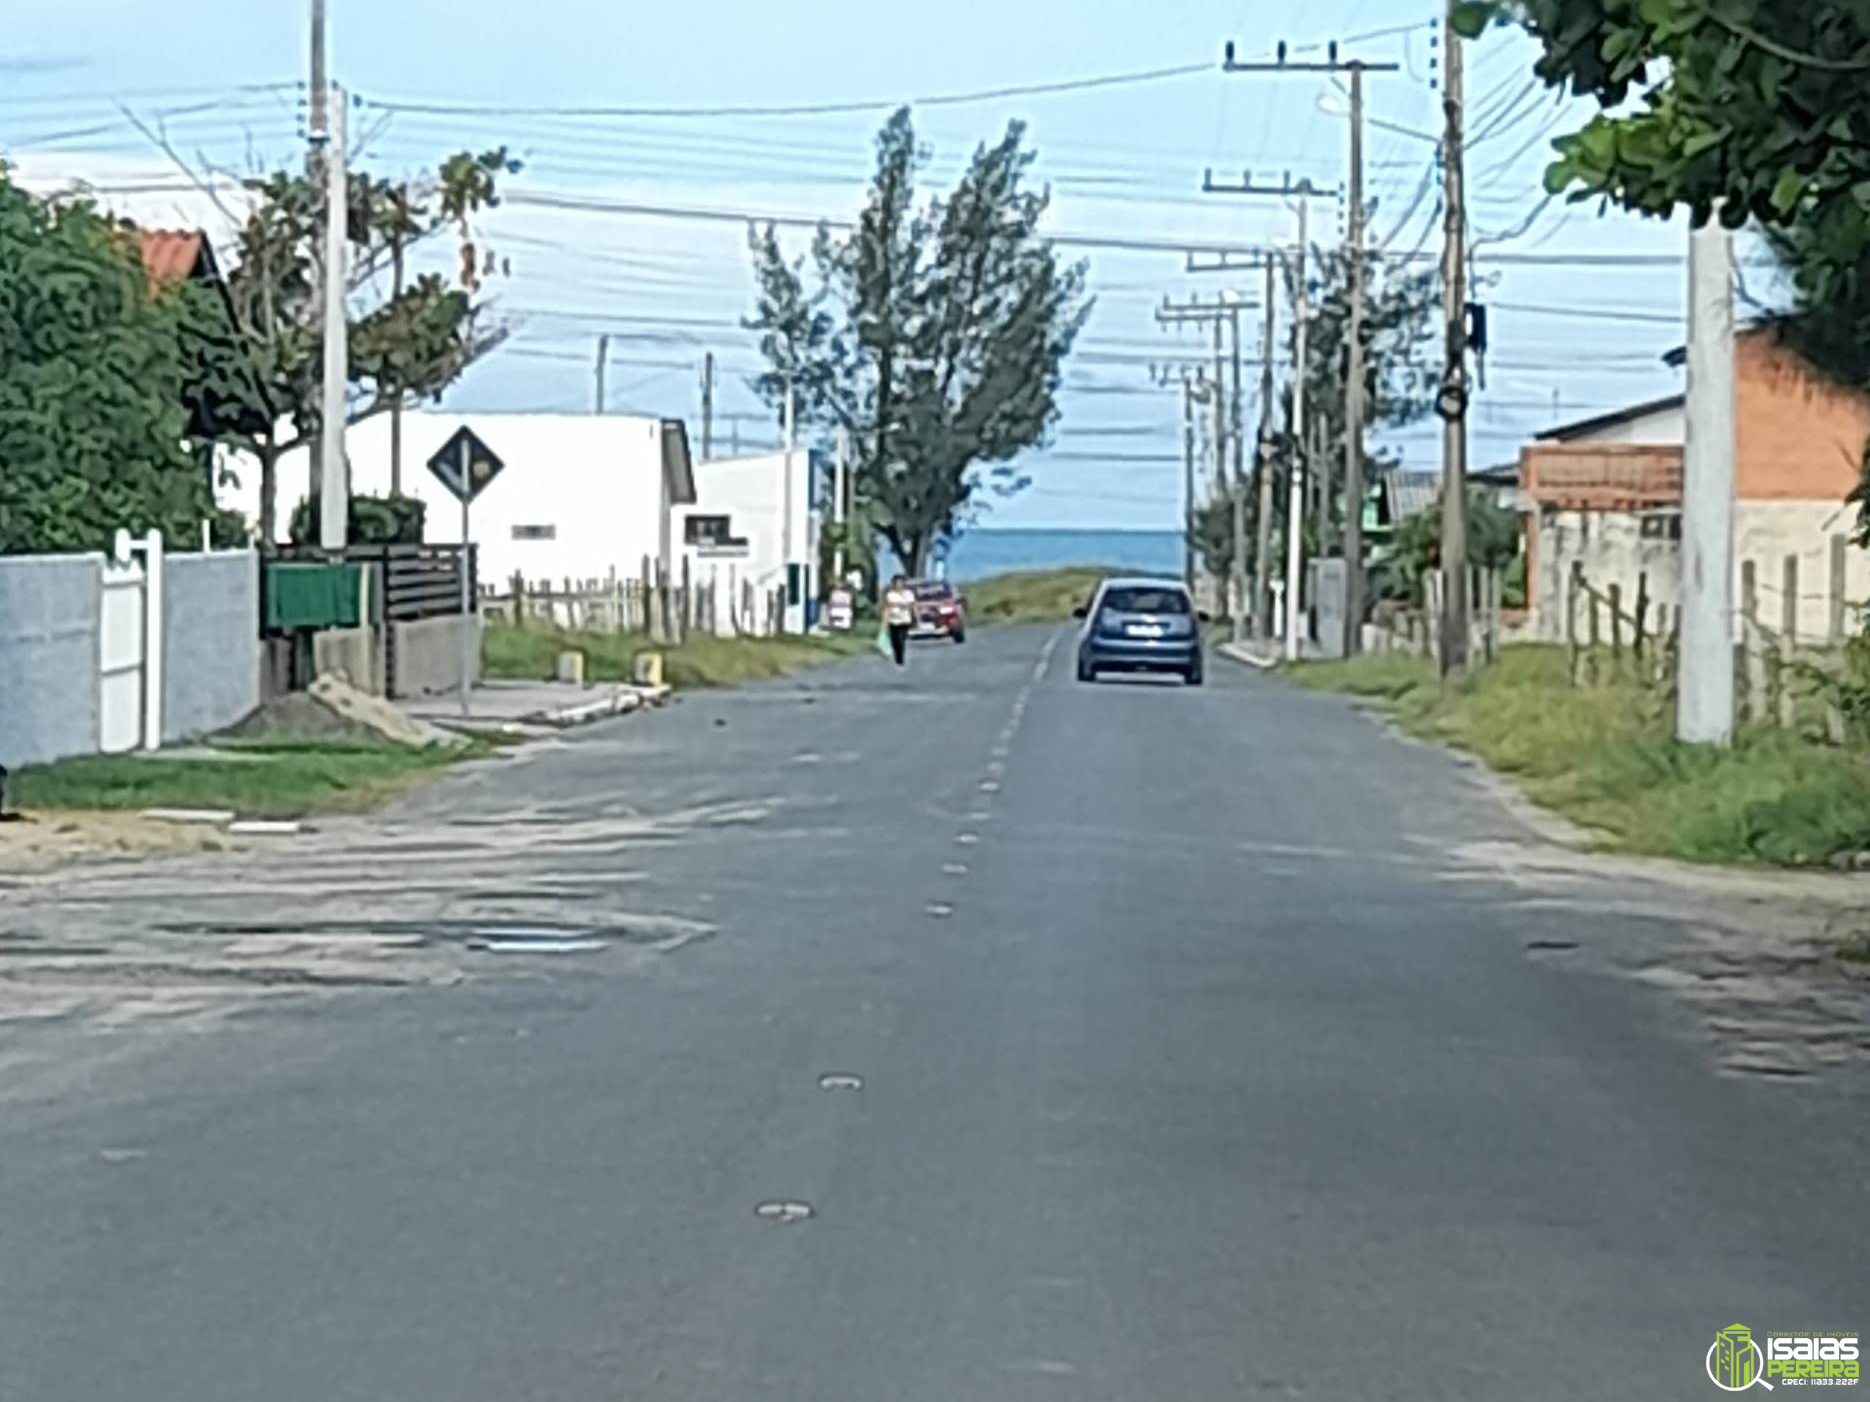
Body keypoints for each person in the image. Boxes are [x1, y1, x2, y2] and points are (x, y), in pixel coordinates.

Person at [881, 573, 916, 666]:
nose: (898, 584)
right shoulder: (890, 595)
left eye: (900, 582)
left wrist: (916, 617)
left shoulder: (908, 594)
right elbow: (887, 608)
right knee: (894, 641)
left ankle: (900, 658)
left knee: (901, 640)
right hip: (893, 621)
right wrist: (884, 622)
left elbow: (913, 606)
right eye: (896, 583)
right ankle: (897, 654)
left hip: (905, 621)